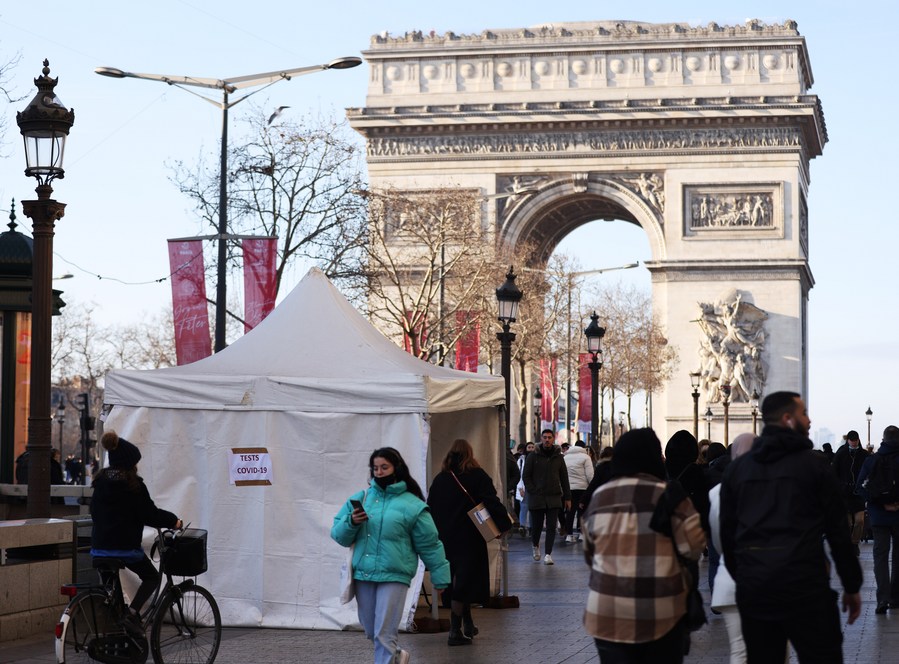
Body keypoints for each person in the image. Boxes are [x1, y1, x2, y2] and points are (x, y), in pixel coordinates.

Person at [720, 391, 862, 663]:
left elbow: (728, 534)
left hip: (756, 589)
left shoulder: (737, 471)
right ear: (788, 419)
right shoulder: (815, 466)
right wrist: (851, 585)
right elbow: (837, 533)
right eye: (804, 413)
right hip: (805, 586)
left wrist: (746, 576)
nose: (809, 421)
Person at [582, 428, 706, 664]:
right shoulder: (671, 496)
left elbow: (590, 552)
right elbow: (694, 546)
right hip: (661, 610)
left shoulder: (600, 497)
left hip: (607, 611)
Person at [331, 447, 450, 664]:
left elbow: (430, 544)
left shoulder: (413, 505)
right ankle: (396, 656)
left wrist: (440, 577)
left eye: (384, 467)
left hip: (395, 575)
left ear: (397, 468)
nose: (379, 472)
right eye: (375, 468)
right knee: (370, 630)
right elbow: (338, 535)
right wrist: (351, 522)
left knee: (384, 633)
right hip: (363, 574)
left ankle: (387, 657)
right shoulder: (361, 498)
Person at [90, 431, 182, 623]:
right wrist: (174, 521)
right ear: (130, 464)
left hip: (99, 548)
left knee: (111, 590)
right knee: (152, 578)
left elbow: (94, 511)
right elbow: (150, 514)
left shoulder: (100, 483)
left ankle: (115, 624)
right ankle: (132, 614)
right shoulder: (134, 485)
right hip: (125, 549)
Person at [427, 439, 511, 645]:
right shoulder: (478, 476)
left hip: (445, 537)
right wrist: (504, 524)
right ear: (470, 455)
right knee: (464, 582)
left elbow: (431, 507)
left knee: (456, 579)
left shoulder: (440, 479)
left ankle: (468, 624)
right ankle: (455, 630)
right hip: (470, 537)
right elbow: (491, 501)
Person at [708, 433, 770, 664]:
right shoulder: (776, 488)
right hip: (770, 580)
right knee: (775, 648)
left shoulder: (717, 493)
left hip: (731, 579)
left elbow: (718, 540)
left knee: (739, 650)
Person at [856, 425, 899, 614]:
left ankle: (882, 598)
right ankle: (896, 597)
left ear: (883, 438)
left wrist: (879, 503)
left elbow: (860, 487)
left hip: (879, 516)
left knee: (880, 557)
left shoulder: (872, 460)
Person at [523, 429, 571, 565]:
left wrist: (568, 497)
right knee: (537, 526)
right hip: (537, 497)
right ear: (541, 439)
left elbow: (564, 478)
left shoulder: (559, 457)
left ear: (553, 439)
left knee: (551, 527)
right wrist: (532, 490)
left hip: (554, 497)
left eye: (550, 437)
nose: (547, 440)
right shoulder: (533, 456)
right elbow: (526, 475)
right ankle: (535, 545)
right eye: (545, 437)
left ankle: (548, 554)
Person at [832, 430, 870, 555]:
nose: (854, 443)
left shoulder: (864, 455)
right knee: (847, 522)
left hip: (858, 493)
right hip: (844, 493)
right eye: (852, 441)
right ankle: (849, 543)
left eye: (855, 441)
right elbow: (834, 472)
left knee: (859, 521)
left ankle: (854, 542)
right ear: (848, 440)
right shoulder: (841, 454)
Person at [563, 440, 594, 542]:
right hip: (582, 489)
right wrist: (592, 487)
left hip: (569, 489)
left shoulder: (565, 457)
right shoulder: (586, 457)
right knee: (582, 511)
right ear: (584, 447)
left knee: (570, 512)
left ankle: (569, 535)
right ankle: (582, 534)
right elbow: (590, 475)